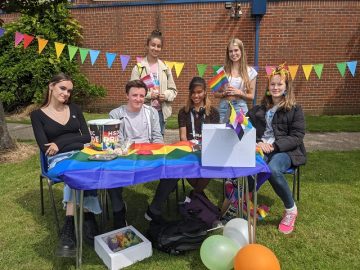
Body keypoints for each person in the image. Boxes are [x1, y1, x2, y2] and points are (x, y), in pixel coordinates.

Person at [30, 73, 101, 256]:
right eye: (63, 88)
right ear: (51, 86)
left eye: (69, 90)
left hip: (80, 154)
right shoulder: (37, 115)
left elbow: (88, 137)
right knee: (75, 170)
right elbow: (45, 147)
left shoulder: (75, 109)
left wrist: (60, 143)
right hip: (57, 160)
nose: (66, 93)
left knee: (83, 168)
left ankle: (71, 225)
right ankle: (85, 217)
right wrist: (72, 142)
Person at [108, 80, 179, 228]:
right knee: (110, 171)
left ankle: (154, 209)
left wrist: (159, 151)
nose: (138, 99)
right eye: (134, 95)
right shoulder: (115, 114)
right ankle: (118, 211)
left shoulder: (151, 112)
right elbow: (118, 143)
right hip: (125, 156)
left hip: (149, 155)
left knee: (175, 169)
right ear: (127, 95)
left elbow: (157, 137)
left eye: (141, 95)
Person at [247, 64, 306, 234]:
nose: (275, 88)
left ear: (287, 87)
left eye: (280, 84)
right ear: (268, 87)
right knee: (251, 166)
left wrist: (274, 146)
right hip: (262, 148)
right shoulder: (259, 109)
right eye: (272, 84)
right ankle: (244, 202)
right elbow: (245, 126)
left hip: (286, 150)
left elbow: (297, 136)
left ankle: (290, 210)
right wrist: (257, 142)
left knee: (272, 169)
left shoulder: (294, 109)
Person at [178, 77, 220, 195]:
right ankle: (199, 196)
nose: (196, 96)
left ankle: (195, 195)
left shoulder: (213, 112)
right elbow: (183, 138)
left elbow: (214, 138)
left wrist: (203, 149)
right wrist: (192, 150)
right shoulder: (183, 112)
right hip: (189, 149)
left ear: (205, 92)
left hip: (207, 150)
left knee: (209, 165)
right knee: (186, 165)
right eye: (193, 92)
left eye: (199, 92)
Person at [130, 29, 177, 135]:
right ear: (147, 45)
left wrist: (165, 95)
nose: (155, 48)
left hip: (160, 113)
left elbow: (173, 90)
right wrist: (149, 95)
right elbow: (132, 92)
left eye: (158, 46)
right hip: (142, 112)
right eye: (153, 45)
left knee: (158, 144)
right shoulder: (138, 68)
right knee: (142, 142)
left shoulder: (166, 68)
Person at [214, 38, 258, 123]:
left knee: (240, 135)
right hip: (224, 108)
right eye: (230, 51)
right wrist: (224, 93)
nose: (233, 54)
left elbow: (251, 96)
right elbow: (215, 94)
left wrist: (240, 93)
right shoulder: (221, 71)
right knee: (223, 135)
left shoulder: (251, 72)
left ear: (241, 51)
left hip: (240, 108)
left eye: (236, 50)